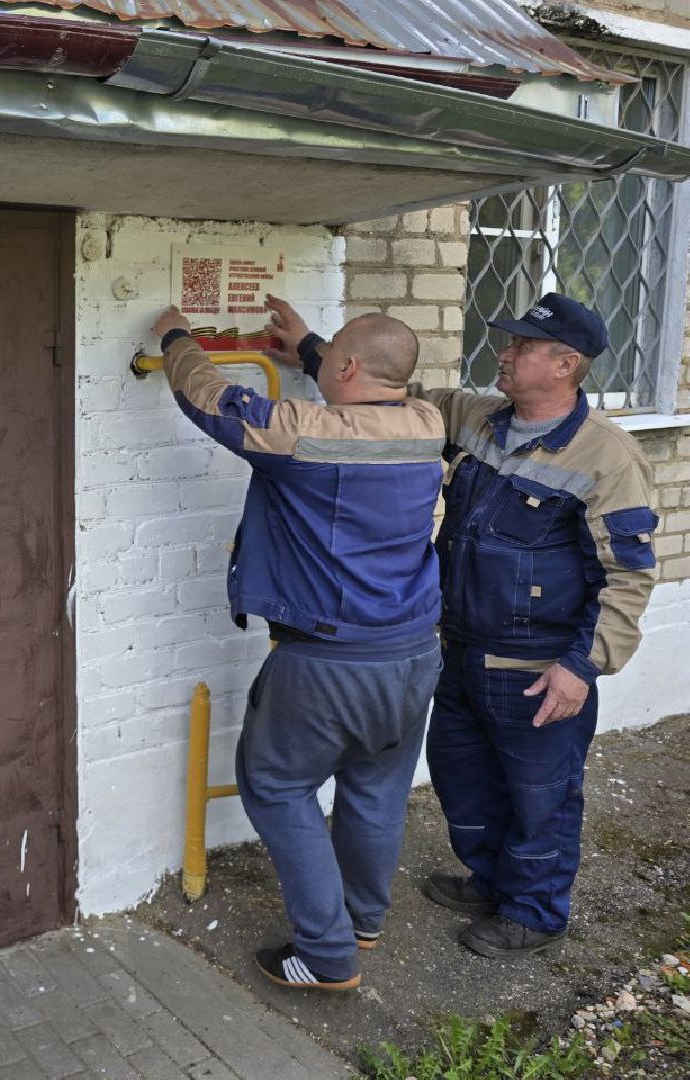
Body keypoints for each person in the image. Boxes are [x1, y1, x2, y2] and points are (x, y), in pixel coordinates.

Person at [266, 292, 659, 959]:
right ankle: (490, 881)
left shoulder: (606, 457)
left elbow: (628, 575)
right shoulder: (474, 417)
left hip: (539, 665)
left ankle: (535, 912)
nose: (502, 355)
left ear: (565, 365)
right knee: (463, 777)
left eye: (520, 348)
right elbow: (389, 392)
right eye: (506, 343)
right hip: (457, 646)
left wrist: (581, 666)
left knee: (541, 795)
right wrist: (312, 347)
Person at [151, 304, 445, 990]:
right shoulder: (427, 424)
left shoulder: (305, 432)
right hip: (412, 652)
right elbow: (366, 382)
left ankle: (326, 955)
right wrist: (310, 345)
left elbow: (211, 399)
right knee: (375, 787)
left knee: (277, 785)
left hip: (328, 661)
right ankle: (361, 922)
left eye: (331, 360)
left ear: (345, 368)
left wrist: (173, 335)